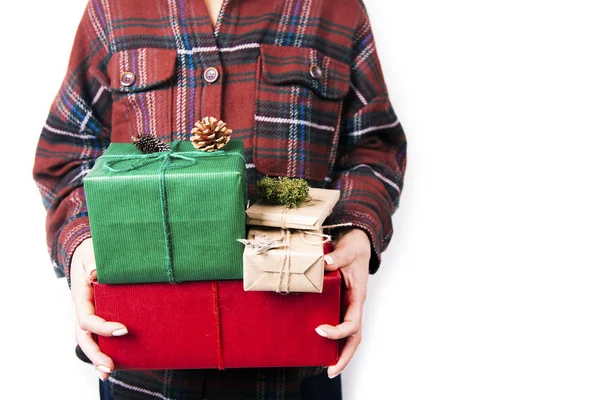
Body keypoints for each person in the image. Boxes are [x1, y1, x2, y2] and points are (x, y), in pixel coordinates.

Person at [33, 0, 407, 398]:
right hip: (141, 367)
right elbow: (67, 154)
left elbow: (373, 147)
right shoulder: (111, 9)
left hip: (295, 365)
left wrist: (357, 232)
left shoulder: (333, 7)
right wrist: (85, 246)